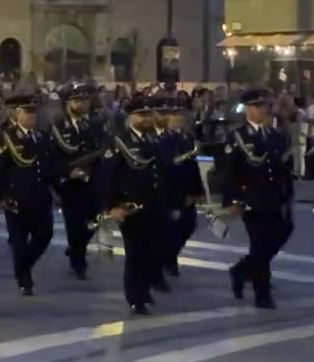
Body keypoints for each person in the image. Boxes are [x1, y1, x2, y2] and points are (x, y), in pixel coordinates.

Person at [222, 88, 294, 310]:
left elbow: (284, 168)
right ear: (248, 109)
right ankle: (262, 295)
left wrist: (288, 196)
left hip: (275, 196)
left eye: (265, 106)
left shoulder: (275, 136)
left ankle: (242, 270)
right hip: (250, 198)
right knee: (260, 244)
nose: (264, 110)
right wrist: (231, 201)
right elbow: (229, 173)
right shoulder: (237, 136)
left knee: (281, 233)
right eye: (259, 106)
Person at [101, 95, 164, 315]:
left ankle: (144, 289)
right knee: (136, 253)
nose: (146, 118)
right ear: (130, 117)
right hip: (130, 206)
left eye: (148, 114)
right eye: (141, 115)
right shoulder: (119, 142)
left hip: (154, 205)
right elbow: (108, 177)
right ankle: (135, 297)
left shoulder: (154, 140)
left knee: (154, 251)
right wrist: (112, 206)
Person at [0, 93, 56, 296]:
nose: (31, 117)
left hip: (40, 197)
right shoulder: (7, 137)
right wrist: (2, 196)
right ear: (17, 114)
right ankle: (24, 280)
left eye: (33, 113)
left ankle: (23, 266)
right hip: (17, 200)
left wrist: (57, 186)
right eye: (26, 113)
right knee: (19, 243)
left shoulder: (42, 136)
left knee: (44, 235)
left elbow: (49, 166)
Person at [50, 83, 102, 280]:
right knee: (74, 225)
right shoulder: (58, 128)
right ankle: (78, 263)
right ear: (67, 103)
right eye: (76, 100)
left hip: (94, 181)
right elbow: (53, 157)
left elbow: (104, 149)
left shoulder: (97, 124)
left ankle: (76, 249)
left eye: (85, 100)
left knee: (95, 222)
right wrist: (66, 173)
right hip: (70, 185)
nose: (81, 104)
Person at [160, 97, 205, 278]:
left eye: (179, 113)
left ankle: (170, 257)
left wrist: (198, 191)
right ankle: (167, 261)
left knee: (187, 227)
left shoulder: (186, 138)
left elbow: (194, 165)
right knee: (170, 230)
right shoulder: (160, 139)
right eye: (173, 114)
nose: (177, 117)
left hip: (187, 191)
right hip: (170, 193)